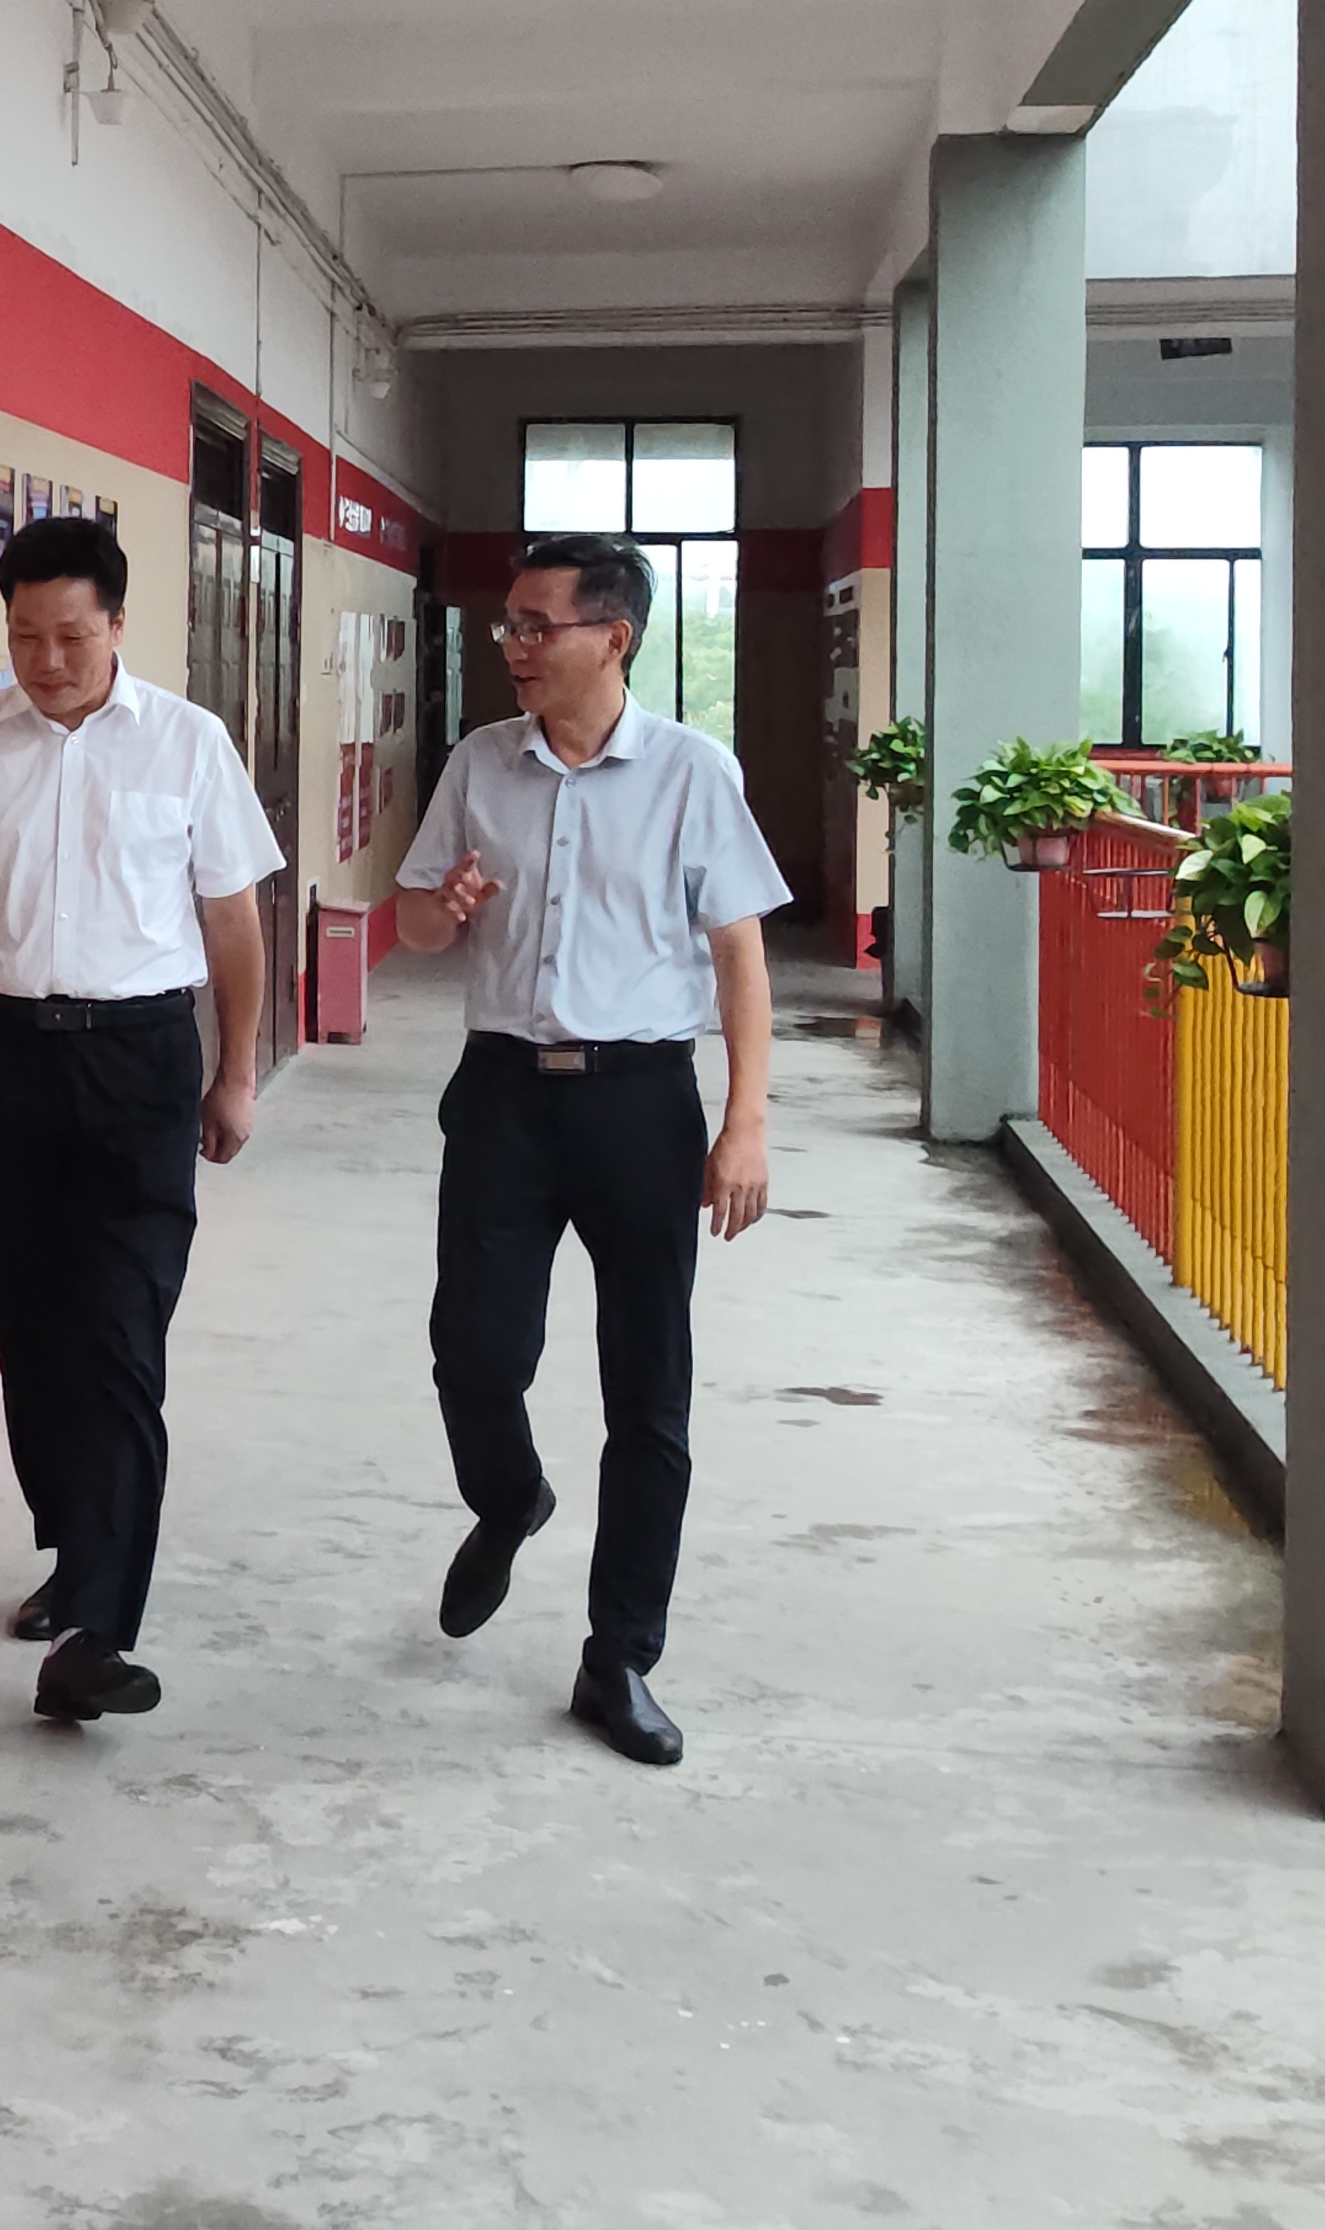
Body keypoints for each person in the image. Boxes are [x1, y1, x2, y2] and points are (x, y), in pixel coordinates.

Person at [0, 515, 282, 1724]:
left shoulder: (188, 745)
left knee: (118, 1339)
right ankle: (75, 1546)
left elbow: (233, 922)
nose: (46, 661)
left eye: (71, 637)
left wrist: (234, 1072)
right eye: (24, 637)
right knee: (33, 1329)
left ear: (117, 625)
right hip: (6, 1057)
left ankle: (98, 1626)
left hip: (141, 1061)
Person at [394, 532, 786, 1767]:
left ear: (611, 637)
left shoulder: (691, 772)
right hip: (502, 1095)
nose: (512, 645)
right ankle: (509, 1498)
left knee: (647, 1391)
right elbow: (414, 925)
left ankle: (619, 1655)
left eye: (535, 624)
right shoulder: (478, 763)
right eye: (506, 624)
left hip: (638, 1104)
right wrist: (441, 909)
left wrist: (744, 1122)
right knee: (472, 1351)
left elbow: (737, 955)